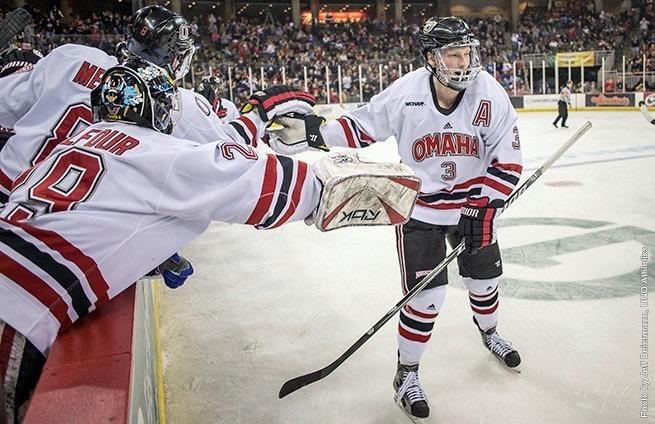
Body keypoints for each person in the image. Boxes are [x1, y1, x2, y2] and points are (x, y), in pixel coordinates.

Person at [0, 59, 417, 424]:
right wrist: (396, 194)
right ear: (160, 109)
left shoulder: (66, 145)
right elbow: (280, 188)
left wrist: (148, 254)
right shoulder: (159, 152)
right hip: (15, 303)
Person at [268, 16, 523, 421]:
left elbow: (508, 162)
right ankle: (406, 375)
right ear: (431, 58)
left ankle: (490, 333)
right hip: (420, 211)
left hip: (473, 205)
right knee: (426, 297)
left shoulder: (488, 93)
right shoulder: (407, 92)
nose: (463, 62)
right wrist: (316, 131)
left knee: (484, 279)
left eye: (467, 52)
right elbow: (362, 126)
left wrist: (483, 206)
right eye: (452, 54)